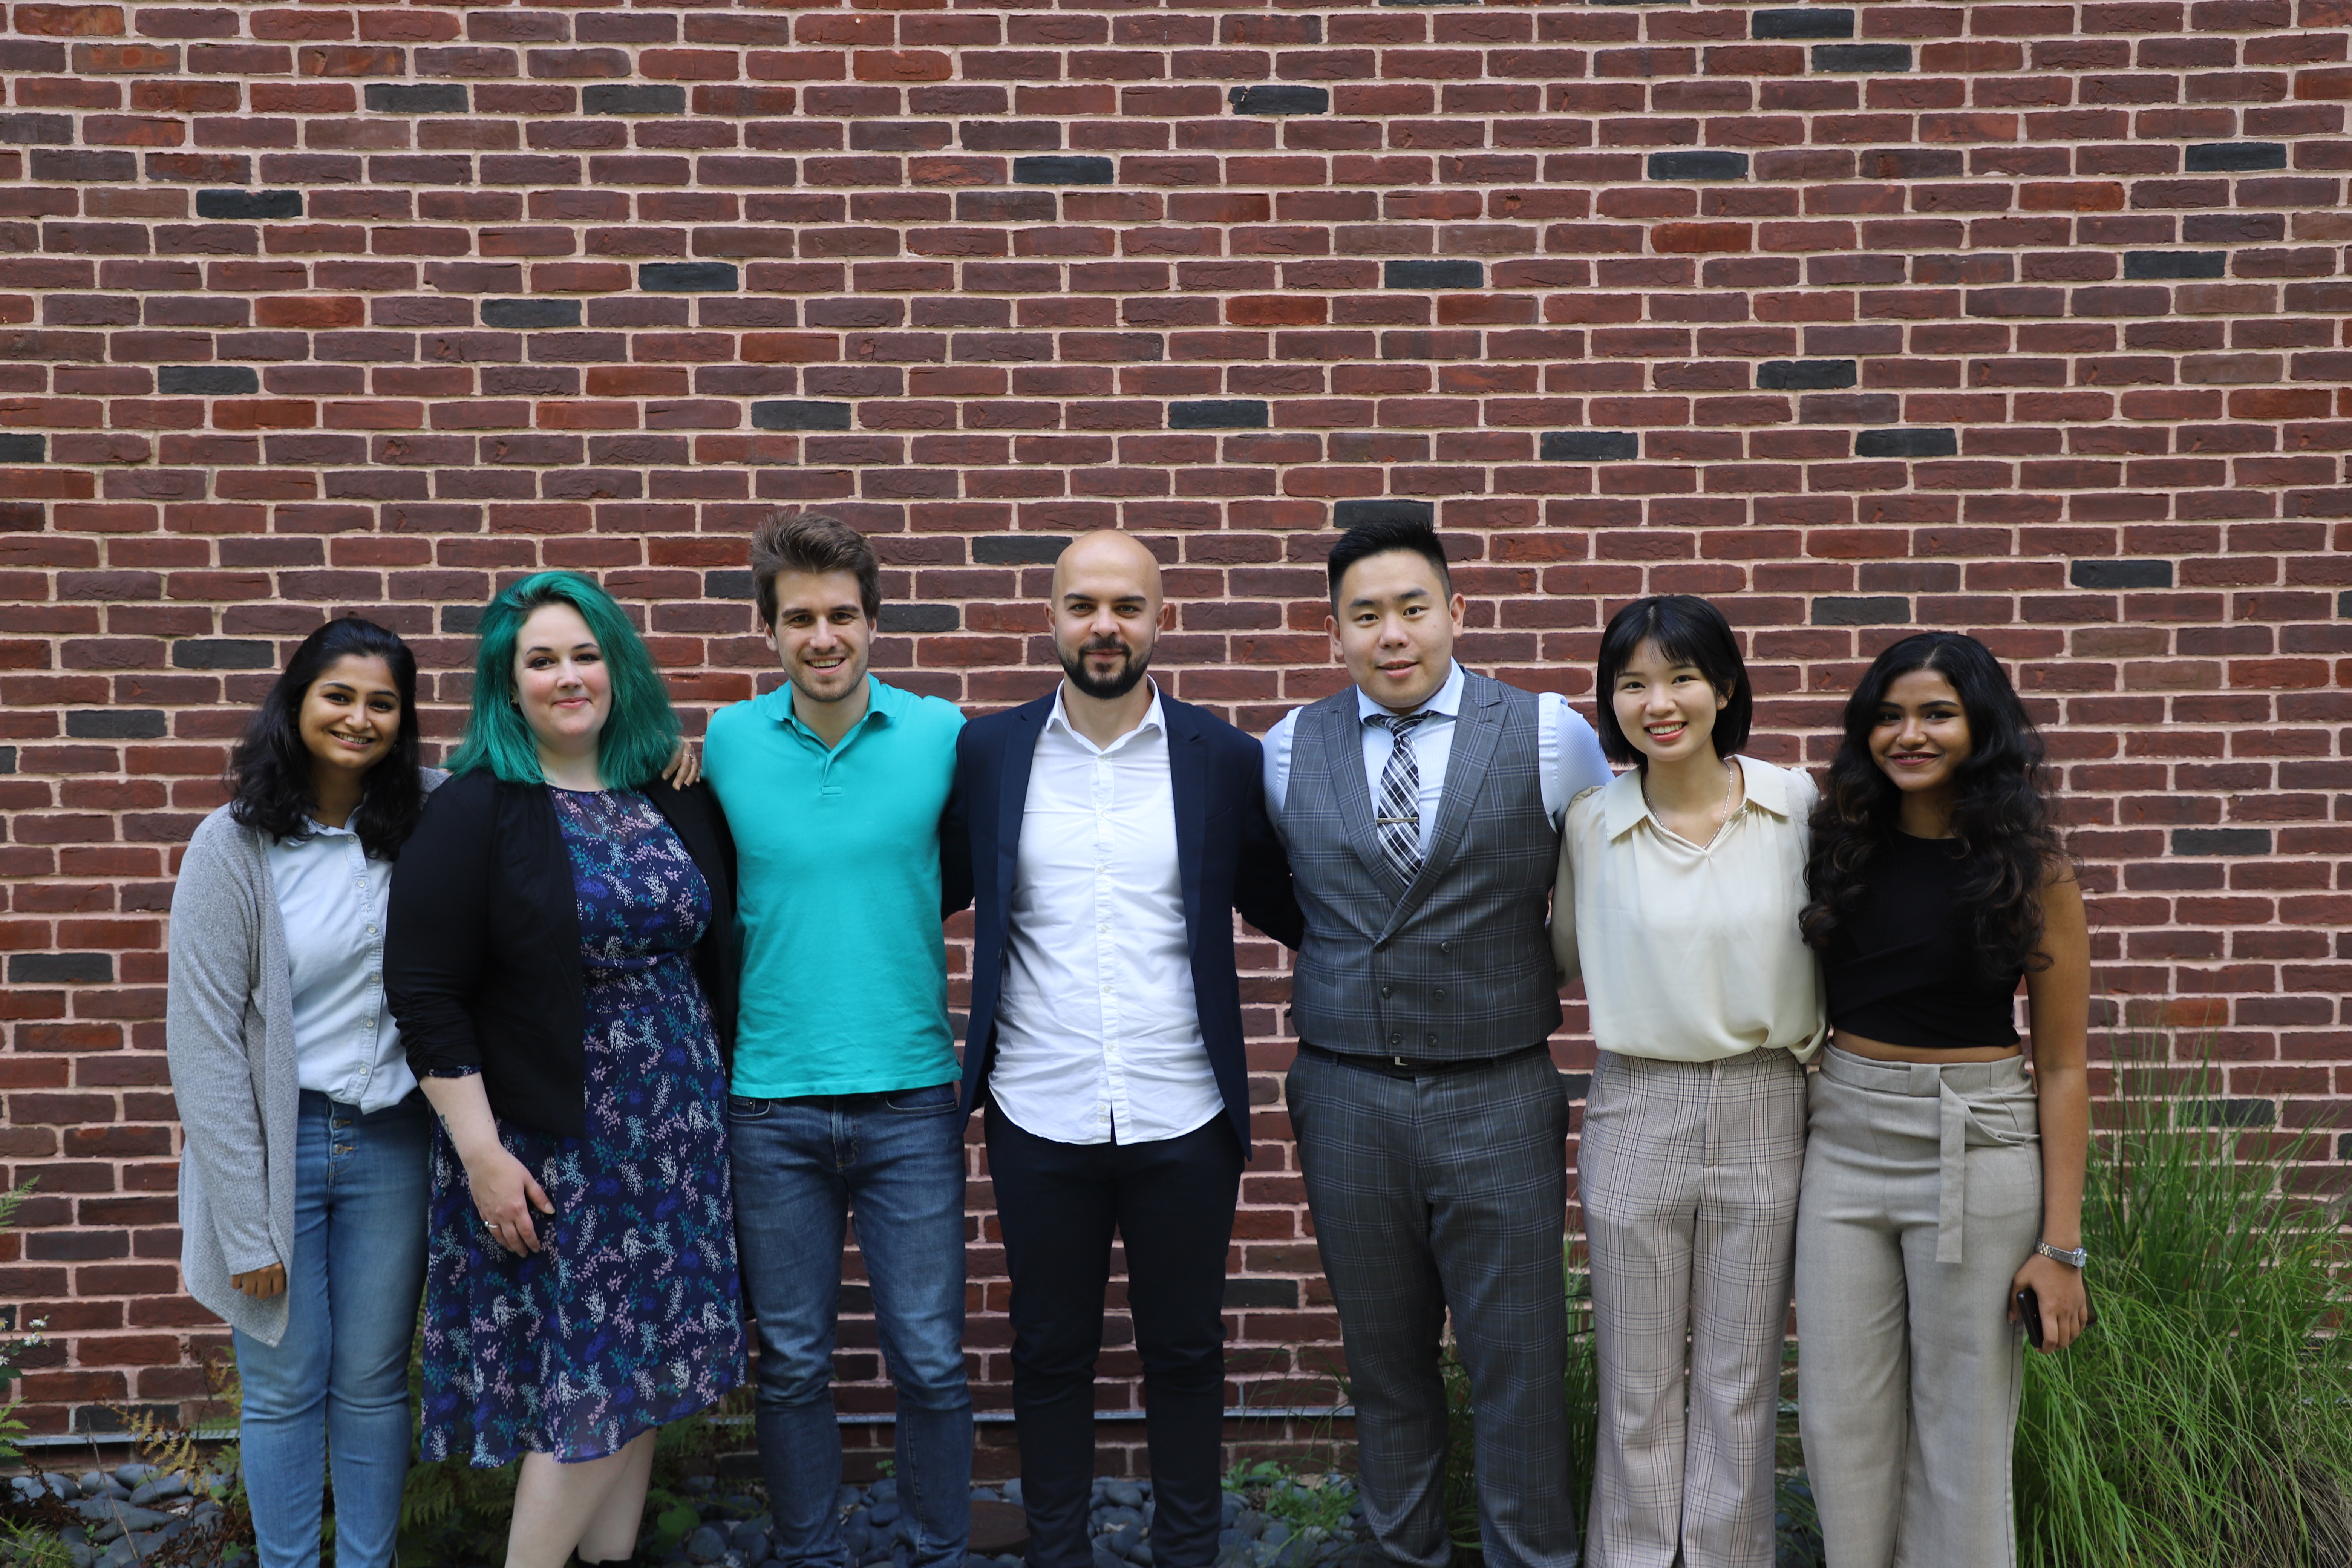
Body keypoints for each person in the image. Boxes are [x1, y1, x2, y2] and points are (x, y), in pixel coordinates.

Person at [941, 532, 1303, 1568]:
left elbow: (1297, 904)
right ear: (1050, 617)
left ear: (1161, 619)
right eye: (1085, 605)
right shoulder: (990, 753)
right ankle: (1059, 1551)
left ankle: (1187, 1551)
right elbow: (930, 881)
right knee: (1050, 1352)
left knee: (1185, 1350)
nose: (1107, 626)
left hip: (1182, 1105)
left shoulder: (1223, 760)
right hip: (1037, 1104)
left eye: (1128, 606)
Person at [1266, 516, 1611, 1568]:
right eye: (1365, 616)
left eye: (1413, 608)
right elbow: (1312, 906)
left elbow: (1600, 899)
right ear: (1335, 635)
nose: (1393, 634)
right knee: (1384, 1364)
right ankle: (1401, 1553)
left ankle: (1532, 1557)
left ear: (1458, 612)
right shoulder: (1287, 750)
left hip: (1498, 1089)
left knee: (1519, 1362)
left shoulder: (1553, 736)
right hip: (1346, 1096)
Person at [385, 571, 745, 1568]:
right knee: (590, 1382)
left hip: (676, 1146)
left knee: (643, 1382)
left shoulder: (670, 792)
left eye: (586, 654)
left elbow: (717, 939)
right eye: (541, 660)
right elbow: (423, 992)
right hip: (558, 1149)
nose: (567, 676)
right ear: (508, 685)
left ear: (618, 668)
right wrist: (482, 1154)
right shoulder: (475, 810)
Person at [700, 511, 973, 1568]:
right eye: (800, 618)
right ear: (769, 630)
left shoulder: (941, 735)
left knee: (933, 1361)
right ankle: (811, 1553)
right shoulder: (724, 742)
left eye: (843, 616)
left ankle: (938, 1549)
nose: (824, 637)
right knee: (796, 1364)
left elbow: (969, 865)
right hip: (769, 1099)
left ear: (873, 624)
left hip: (911, 1095)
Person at [1793, 631, 2092, 1568]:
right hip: (1843, 1140)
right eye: (1888, 716)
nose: (1907, 734)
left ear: (1981, 727)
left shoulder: (2033, 872)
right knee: (1841, 1422)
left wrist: (2061, 1247)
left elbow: (2064, 1066)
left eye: (1935, 714)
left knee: (1962, 1427)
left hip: (1980, 1144)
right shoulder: (1833, 843)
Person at [1550, 596, 1823, 1568]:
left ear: (1726, 688)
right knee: (1636, 1379)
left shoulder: (1795, 805)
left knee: (1741, 1376)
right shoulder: (1591, 823)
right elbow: (1554, 962)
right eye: (1632, 683)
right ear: (1610, 700)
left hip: (1767, 1099)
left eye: (1680, 678)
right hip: (1634, 1104)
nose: (1657, 703)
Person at [167, 617, 439, 1568]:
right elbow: (201, 1045)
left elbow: (545, 788)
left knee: (371, 1381)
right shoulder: (233, 846)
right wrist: (244, 1221)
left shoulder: (433, 817)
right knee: (283, 1386)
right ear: (296, 702)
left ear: (405, 721)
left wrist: (669, 759)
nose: (359, 718)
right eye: (339, 695)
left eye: (382, 702)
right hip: (278, 1151)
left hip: (398, 1145)